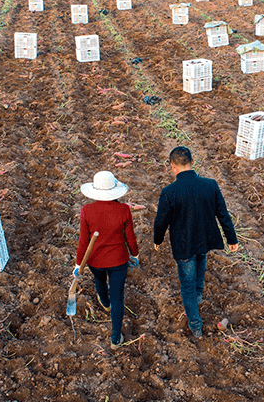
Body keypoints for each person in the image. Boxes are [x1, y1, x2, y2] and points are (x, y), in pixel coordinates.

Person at [153, 146, 238, 339]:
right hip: (204, 239)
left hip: (184, 245)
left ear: (172, 167)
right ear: (192, 163)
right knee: (201, 260)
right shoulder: (210, 185)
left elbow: (161, 221)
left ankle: (195, 324)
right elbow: (223, 214)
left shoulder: (169, 192)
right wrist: (232, 238)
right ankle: (198, 296)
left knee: (187, 285)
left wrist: (157, 239)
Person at [75, 171, 139, 349]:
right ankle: (115, 338)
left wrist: (78, 263)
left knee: (99, 280)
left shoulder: (87, 211)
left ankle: (104, 302)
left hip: (95, 260)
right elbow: (130, 237)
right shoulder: (123, 210)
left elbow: (83, 241)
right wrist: (135, 254)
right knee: (118, 297)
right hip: (119, 261)